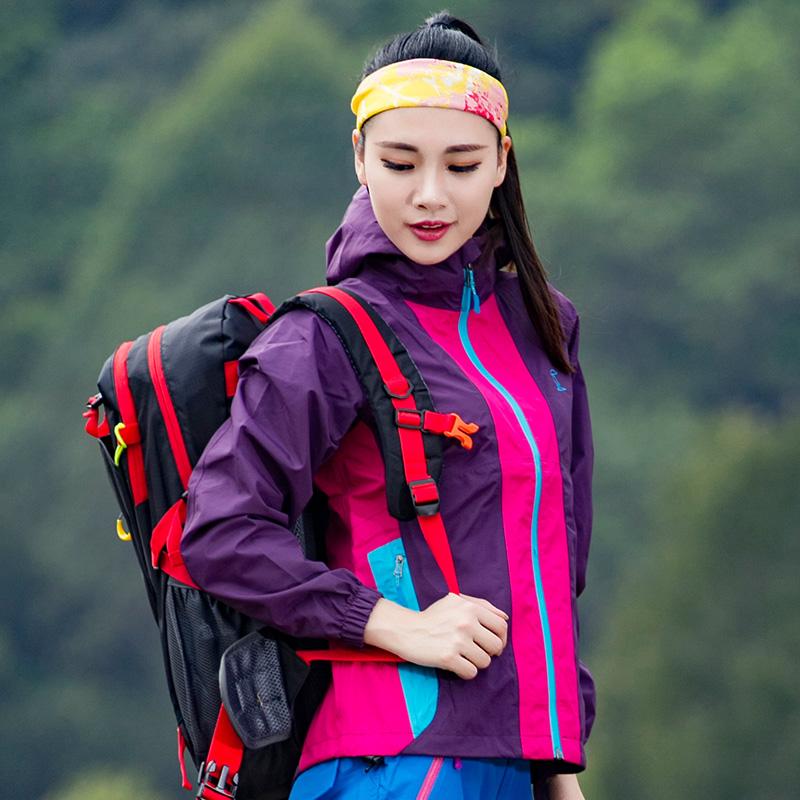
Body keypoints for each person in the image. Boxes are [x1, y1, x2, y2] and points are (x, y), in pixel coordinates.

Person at [181, 11, 595, 800]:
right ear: (359, 159)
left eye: (461, 164)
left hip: (515, 765)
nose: (429, 196)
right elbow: (220, 529)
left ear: (502, 163)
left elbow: (555, 568)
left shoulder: (544, 327)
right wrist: (397, 624)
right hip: (390, 763)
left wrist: (559, 768)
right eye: (400, 163)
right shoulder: (325, 335)